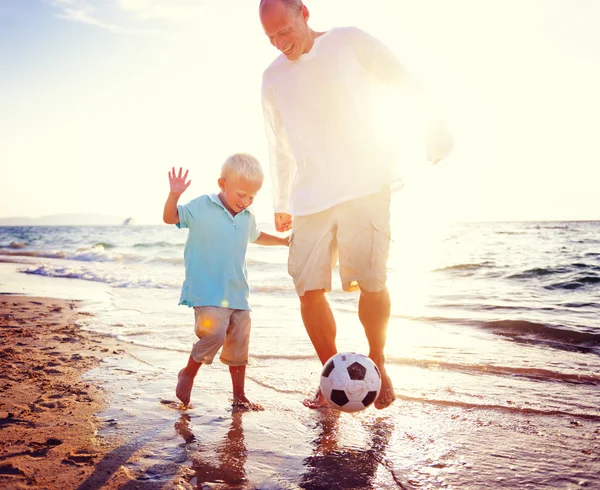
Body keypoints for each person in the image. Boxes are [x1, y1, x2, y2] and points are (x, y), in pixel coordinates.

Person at [259, 0, 453, 409]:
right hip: (310, 195)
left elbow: (402, 80)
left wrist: (434, 126)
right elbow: (278, 142)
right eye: (270, 38)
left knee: (371, 281)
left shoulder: (350, 41)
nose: (279, 44)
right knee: (308, 290)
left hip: (365, 183)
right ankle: (332, 376)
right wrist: (281, 199)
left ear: (304, 14)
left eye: (284, 32)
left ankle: (377, 365)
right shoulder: (273, 76)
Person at [163, 153, 289, 409]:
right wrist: (174, 194)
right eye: (241, 194)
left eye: (252, 197)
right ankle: (188, 372)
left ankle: (239, 396)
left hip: (238, 293)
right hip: (206, 291)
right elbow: (170, 217)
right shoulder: (201, 206)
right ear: (222, 184)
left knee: (239, 346)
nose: (245, 201)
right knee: (215, 334)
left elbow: (256, 236)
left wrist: (282, 241)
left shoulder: (247, 216)